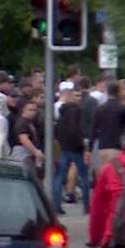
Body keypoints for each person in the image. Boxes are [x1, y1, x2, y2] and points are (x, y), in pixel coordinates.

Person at [55, 87, 90, 215]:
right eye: (76, 95)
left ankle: (56, 205)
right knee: (84, 176)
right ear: (69, 96)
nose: (79, 98)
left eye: (80, 95)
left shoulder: (62, 111)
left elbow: (58, 128)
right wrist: (83, 145)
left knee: (59, 176)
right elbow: (77, 130)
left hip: (64, 147)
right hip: (76, 148)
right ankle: (87, 206)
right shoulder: (77, 111)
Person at [10, 101, 44, 176]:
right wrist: (36, 151)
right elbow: (24, 139)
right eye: (30, 110)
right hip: (22, 153)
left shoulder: (30, 122)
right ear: (23, 110)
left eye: (35, 110)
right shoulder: (22, 122)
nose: (33, 112)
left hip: (28, 152)